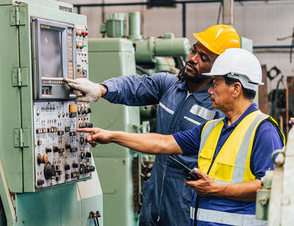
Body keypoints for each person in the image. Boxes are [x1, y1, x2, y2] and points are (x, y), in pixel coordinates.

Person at [78, 48, 285, 226]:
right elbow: (162, 142)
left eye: (215, 84)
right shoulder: (211, 129)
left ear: (236, 88)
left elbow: (269, 187)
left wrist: (217, 189)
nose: (210, 90)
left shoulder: (263, 131)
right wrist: (111, 135)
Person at [65, 24, 240, 225]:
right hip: (155, 195)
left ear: (218, 68)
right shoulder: (171, 86)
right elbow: (135, 86)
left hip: (186, 201)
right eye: (194, 50)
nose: (192, 59)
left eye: (203, 58)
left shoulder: (217, 106)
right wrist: (101, 89)